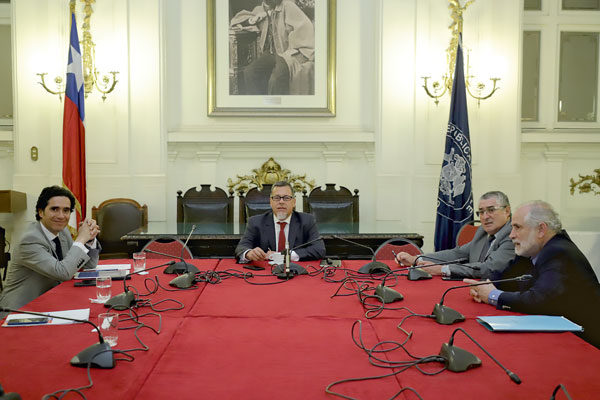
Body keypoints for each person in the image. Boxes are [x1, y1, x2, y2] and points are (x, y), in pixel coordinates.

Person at [466, 200, 600, 349]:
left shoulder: (559, 252)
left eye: (517, 228)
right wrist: (483, 286)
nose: (511, 235)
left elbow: (538, 300)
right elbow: (503, 277)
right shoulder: (531, 249)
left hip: (585, 344)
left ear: (541, 230)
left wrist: (492, 295)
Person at [0, 186, 101, 314]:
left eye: (66, 210)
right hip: (18, 311)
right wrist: (81, 239)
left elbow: (88, 266)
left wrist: (90, 240)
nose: (61, 216)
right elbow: (63, 273)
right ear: (41, 212)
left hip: (49, 304)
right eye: (54, 209)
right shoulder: (30, 240)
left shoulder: (63, 232)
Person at [395, 191, 515, 279]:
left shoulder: (513, 234)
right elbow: (456, 253)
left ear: (507, 211)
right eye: (481, 212)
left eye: (491, 210)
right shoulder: (482, 232)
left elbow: (489, 268)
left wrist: (441, 269)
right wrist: (416, 259)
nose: (485, 216)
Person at [230, 0, 315, 95]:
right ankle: (258, 106)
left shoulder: (288, 6)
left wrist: (296, 50)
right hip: (271, 53)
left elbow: (306, 28)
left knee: (276, 78)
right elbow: (237, 19)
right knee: (249, 72)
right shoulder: (260, 9)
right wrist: (252, 20)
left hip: (287, 53)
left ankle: (275, 107)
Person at [235, 181, 325, 262]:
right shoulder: (255, 222)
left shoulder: (307, 221)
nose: (281, 202)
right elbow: (241, 247)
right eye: (277, 198)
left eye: (286, 198)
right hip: (265, 273)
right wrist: (248, 253)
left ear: (293, 202)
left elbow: (319, 249)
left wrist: (286, 256)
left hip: (295, 272)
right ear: (271, 202)